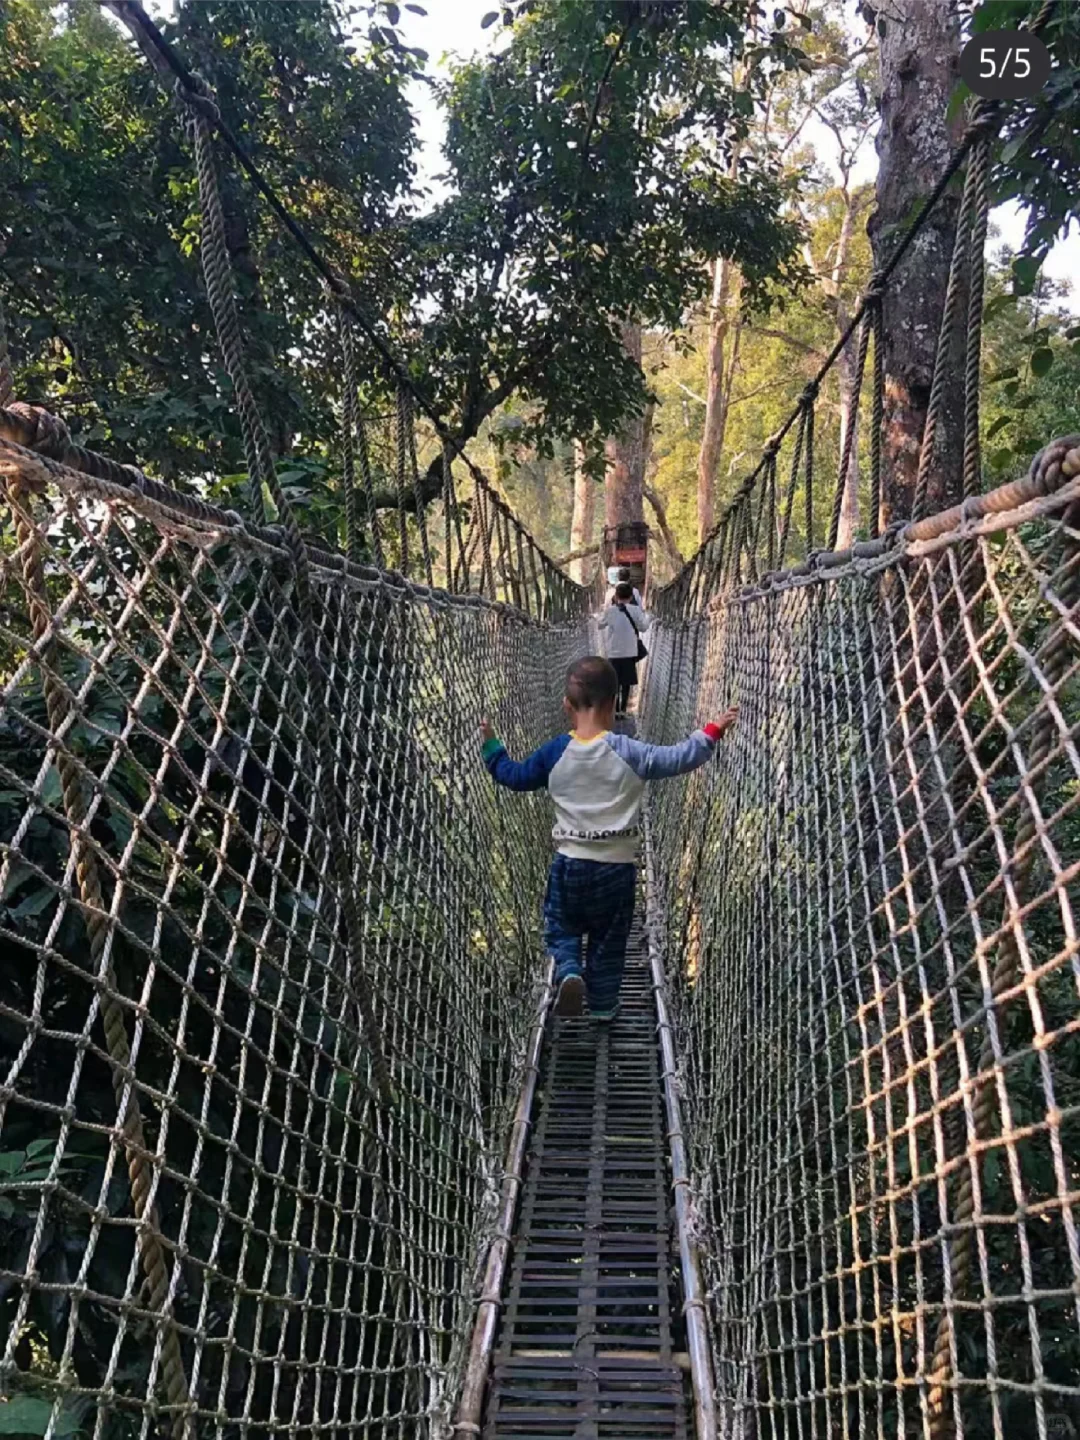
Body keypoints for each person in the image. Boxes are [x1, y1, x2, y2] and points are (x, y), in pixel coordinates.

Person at [480, 656, 738, 1020]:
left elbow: (514, 775)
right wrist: (711, 732)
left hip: (569, 865)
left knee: (561, 925)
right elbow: (679, 758)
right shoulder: (629, 752)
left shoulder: (554, 753)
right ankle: (602, 1006)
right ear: (614, 702)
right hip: (616, 872)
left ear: (566, 705)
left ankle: (569, 969)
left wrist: (492, 749)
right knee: (608, 942)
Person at [598, 581, 649, 714]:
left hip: (613, 652)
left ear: (616, 596)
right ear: (631, 597)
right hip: (629, 652)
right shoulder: (636, 610)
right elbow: (643, 627)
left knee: (614, 682)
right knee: (626, 682)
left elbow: (600, 624)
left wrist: (601, 613)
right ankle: (623, 710)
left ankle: (614, 709)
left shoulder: (610, 611)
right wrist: (647, 617)